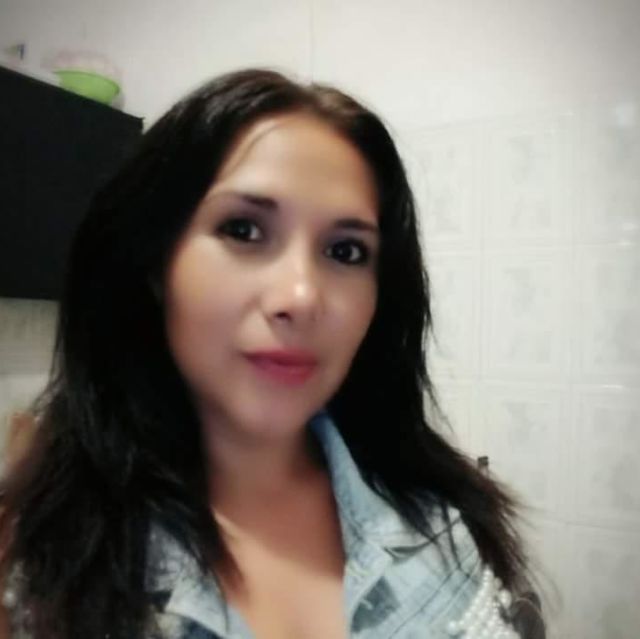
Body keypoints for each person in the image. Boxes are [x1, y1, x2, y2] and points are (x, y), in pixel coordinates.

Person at [0, 68, 543, 638]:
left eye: (346, 251)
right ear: (157, 264)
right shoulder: (38, 557)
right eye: (243, 229)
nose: (302, 297)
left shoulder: (441, 518)